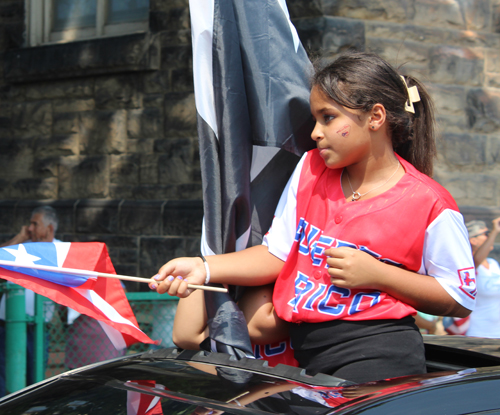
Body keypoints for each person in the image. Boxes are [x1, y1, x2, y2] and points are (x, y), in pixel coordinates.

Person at [150, 50, 475, 383]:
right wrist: (202, 268)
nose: (316, 132)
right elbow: (277, 253)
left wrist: (379, 274)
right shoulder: (310, 167)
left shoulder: (431, 201)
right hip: (310, 360)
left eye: (328, 117)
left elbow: (459, 298)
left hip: (381, 358)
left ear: (375, 117)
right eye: (315, 119)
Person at [0, 205, 60, 396]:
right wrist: (20, 238)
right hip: (5, 327)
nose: (30, 228)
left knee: (34, 384)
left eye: (35, 224)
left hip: (37, 330)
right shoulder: (22, 247)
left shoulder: (60, 250)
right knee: (4, 380)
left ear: (50, 228)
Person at [465, 218, 500, 338]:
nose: (489, 236)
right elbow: (476, 262)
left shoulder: (493, 263)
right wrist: (495, 231)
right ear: (473, 240)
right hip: (477, 333)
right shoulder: (468, 266)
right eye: (486, 234)